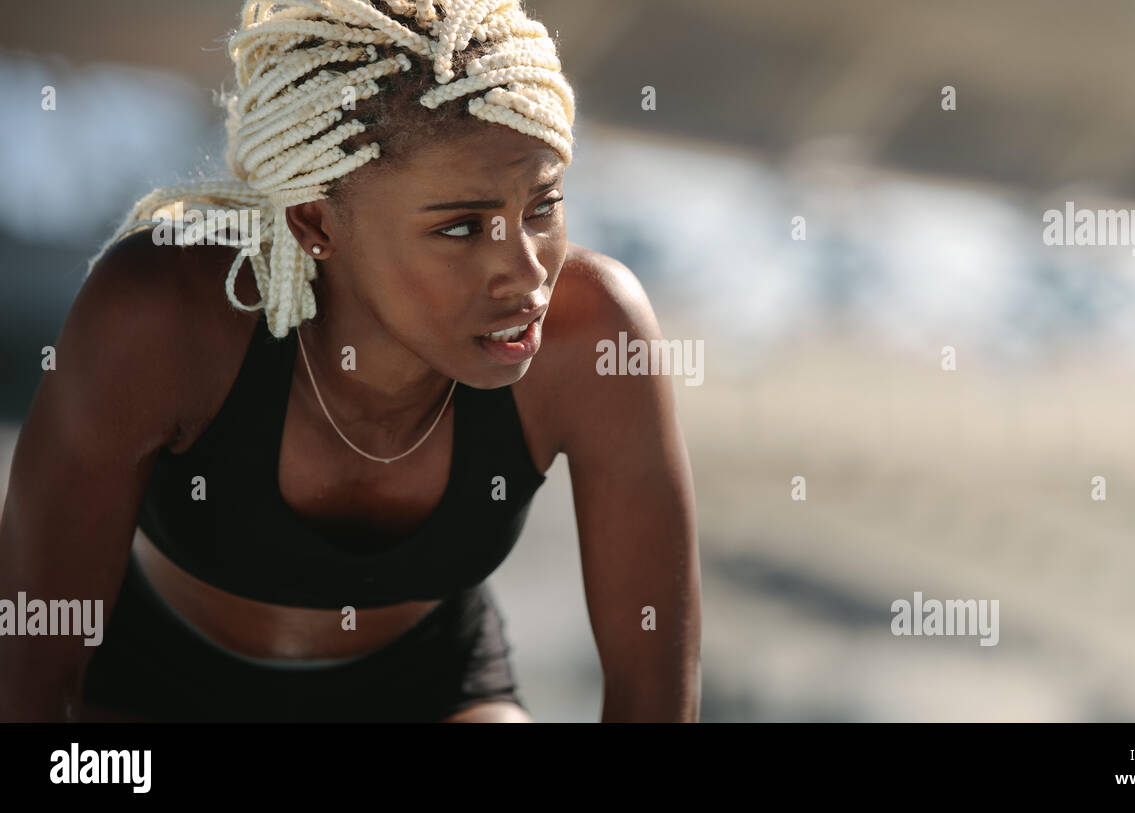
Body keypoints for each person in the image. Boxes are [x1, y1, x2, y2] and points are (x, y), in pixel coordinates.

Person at [0, 0, 701, 722]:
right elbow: (31, 673)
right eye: (460, 226)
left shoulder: (593, 336)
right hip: (150, 689)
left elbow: (653, 694)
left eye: (543, 208)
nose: (525, 273)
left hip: (428, 692)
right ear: (314, 221)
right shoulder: (163, 313)